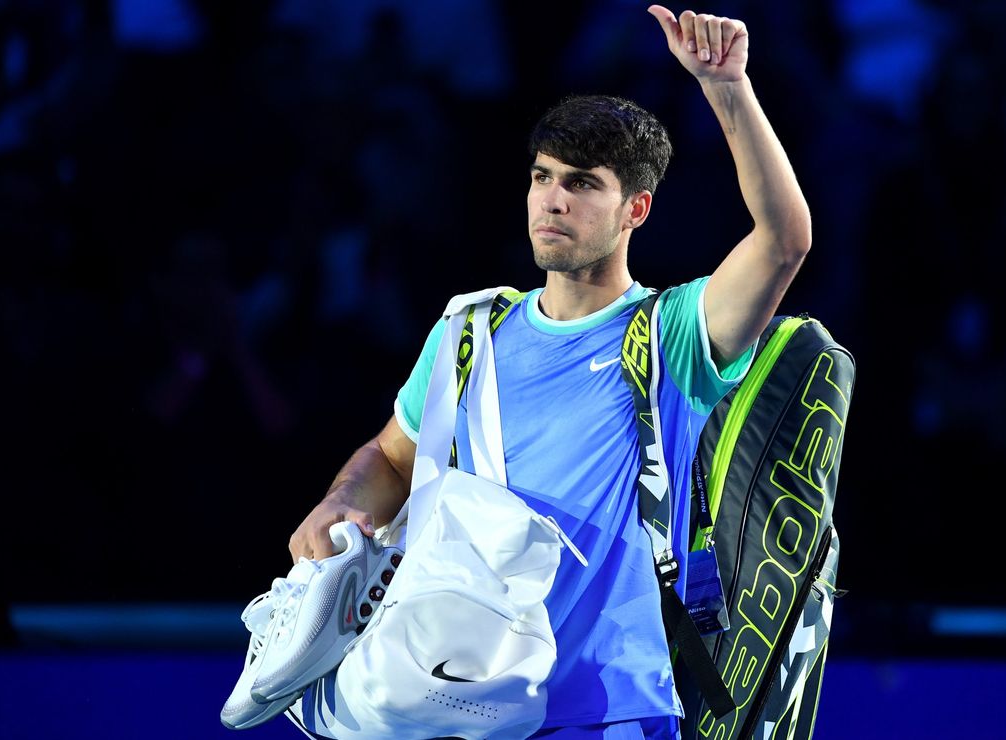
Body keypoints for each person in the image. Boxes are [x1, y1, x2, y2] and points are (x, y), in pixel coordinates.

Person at [287, 5, 811, 738]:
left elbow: (784, 240)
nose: (552, 199)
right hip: (456, 707)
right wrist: (341, 501)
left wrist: (726, 87)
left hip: (609, 714)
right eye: (542, 176)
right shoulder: (468, 332)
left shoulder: (674, 334)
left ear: (636, 207)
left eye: (582, 183)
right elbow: (391, 456)